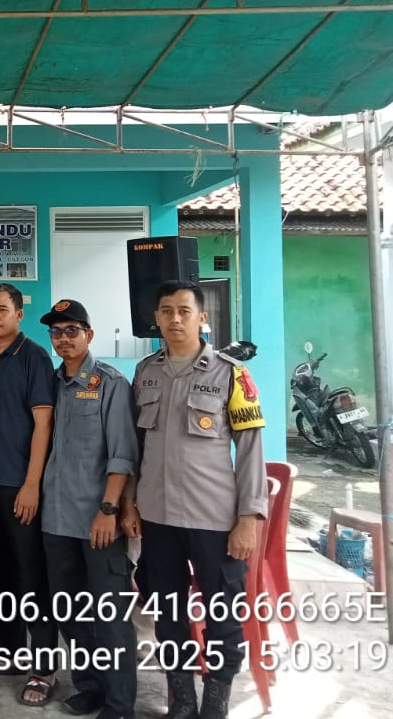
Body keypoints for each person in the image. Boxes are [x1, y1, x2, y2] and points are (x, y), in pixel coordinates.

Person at [122, 281, 266, 719]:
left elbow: (250, 448)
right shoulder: (145, 372)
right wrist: (129, 501)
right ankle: (182, 700)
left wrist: (248, 516)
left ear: (202, 318)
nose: (175, 319)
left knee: (223, 615)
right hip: (158, 517)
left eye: (184, 311)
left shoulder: (230, 373)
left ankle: (215, 703)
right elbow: (135, 447)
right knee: (168, 614)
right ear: (157, 319)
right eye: (166, 311)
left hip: (214, 518)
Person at [38, 299, 138, 719]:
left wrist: (109, 509)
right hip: (56, 518)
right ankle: (90, 686)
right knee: (70, 611)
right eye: (56, 332)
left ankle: (119, 702)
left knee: (110, 615)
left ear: (89, 335)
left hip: (98, 519)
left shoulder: (110, 383)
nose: (63, 339)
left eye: (71, 331)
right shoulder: (49, 383)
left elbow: (123, 453)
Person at [0, 282, 59, 706]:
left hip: (19, 486)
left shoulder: (35, 357)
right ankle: (8, 651)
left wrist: (31, 484)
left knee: (30, 577)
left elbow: (43, 424)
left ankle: (43, 666)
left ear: (19, 314)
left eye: (2, 309)